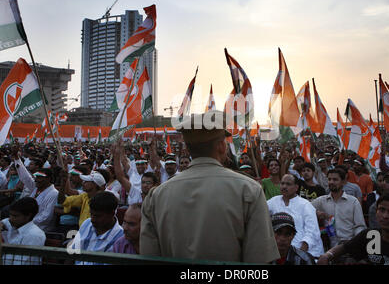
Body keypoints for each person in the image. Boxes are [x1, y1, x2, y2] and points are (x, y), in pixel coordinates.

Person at [140, 111, 279, 263]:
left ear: (187, 148)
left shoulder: (157, 196)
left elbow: (149, 257)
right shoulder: (248, 190)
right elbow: (258, 259)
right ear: (221, 146)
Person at [317, 193, 389, 265]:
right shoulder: (371, 236)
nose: (385, 216)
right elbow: (344, 247)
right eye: (381, 210)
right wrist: (327, 256)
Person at [267, 174, 323, 258]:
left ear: (296, 187)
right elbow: (260, 213)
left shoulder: (305, 204)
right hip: (281, 251)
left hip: (306, 253)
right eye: (282, 183)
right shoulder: (273, 201)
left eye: (288, 184)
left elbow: (312, 232)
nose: (284, 186)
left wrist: (299, 254)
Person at [312, 169, 366, 246]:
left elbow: (360, 226)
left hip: (348, 245)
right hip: (328, 246)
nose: (331, 182)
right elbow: (305, 209)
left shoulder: (353, 201)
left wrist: (355, 243)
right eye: (329, 179)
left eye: (335, 179)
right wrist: (316, 212)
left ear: (343, 182)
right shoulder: (322, 201)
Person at [68, 191, 124, 264]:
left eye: (98, 216)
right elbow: (72, 252)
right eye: (91, 214)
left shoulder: (120, 237)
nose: (93, 219)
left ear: (112, 213)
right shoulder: (87, 223)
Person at [12, 145, 58, 232]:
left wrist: (25, 222)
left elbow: (46, 217)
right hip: (25, 225)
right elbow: (24, 175)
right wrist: (16, 157)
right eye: (36, 176)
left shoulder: (53, 193)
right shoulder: (35, 187)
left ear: (49, 179)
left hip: (41, 229)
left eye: (40, 177)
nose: (37, 179)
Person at [0, 197, 46, 265]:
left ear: (28, 216)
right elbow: (4, 221)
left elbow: (23, 263)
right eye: (10, 215)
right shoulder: (13, 223)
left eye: (15, 216)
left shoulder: (35, 235)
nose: (10, 219)